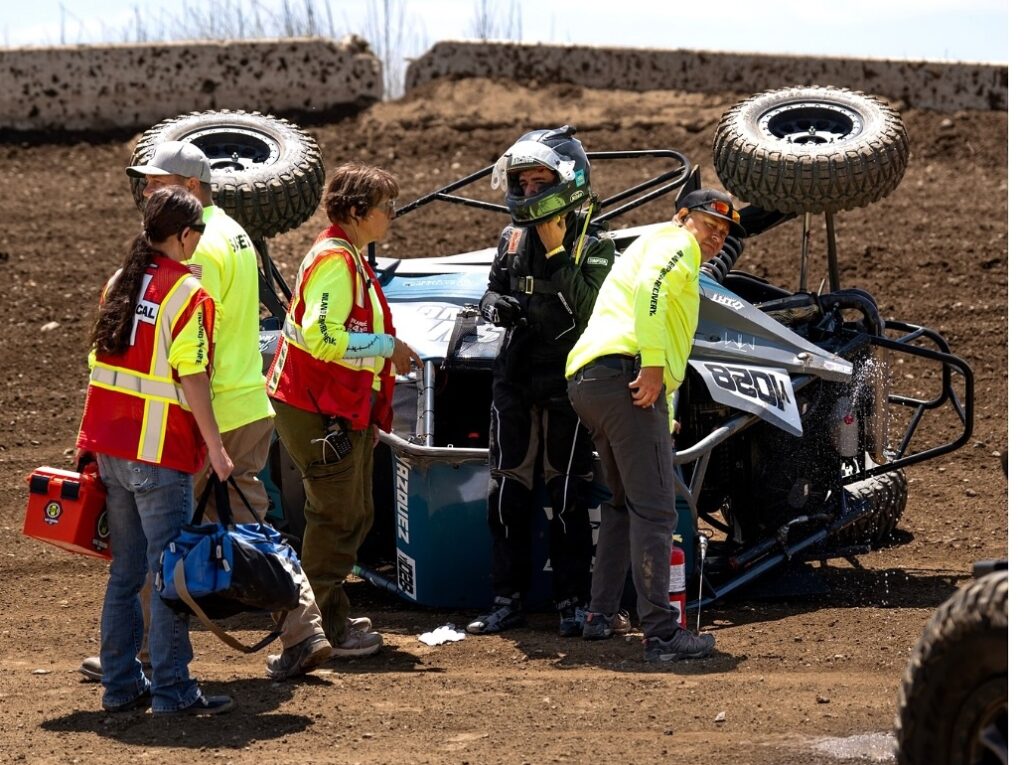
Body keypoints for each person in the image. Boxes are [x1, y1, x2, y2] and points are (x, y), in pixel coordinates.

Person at [79, 140, 333, 683]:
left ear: (191, 186)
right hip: (247, 403)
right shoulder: (233, 232)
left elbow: (187, 346)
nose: (147, 191)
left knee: (159, 538)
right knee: (251, 527)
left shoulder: (196, 249)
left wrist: (202, 434)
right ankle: (303, 630)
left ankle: (138, 655)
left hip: (203, 416)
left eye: (157, 182)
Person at [564, 187, 745, 662]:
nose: (716, 237)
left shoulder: (649, 244)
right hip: (624, 374)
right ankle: (662, 633)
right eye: (710, 225)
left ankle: (600, 615)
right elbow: (653, 292)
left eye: (724, 233)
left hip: (591, 382)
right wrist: (651, 365)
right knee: (657, 511)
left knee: (623, 505)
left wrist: (661, 409)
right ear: (683, 216)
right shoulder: (676, 243)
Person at [75, 186, 235, 714]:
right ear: (185, 235)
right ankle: (173, 690)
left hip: (112, 449)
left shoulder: (120, 281)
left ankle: (120, 686)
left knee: (126, 573)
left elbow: (101, 365)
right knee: (170, 574)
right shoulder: (188, 294)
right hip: (159, 453)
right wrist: (216, 448)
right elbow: (193, 376)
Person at [266, 162, 421, 658]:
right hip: (317, 407)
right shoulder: (337, 261)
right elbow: (322, 338)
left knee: (351, 514)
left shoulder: (344, 254)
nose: (391, 214)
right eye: (385, 206)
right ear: (357, 212)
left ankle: (321, 616)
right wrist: (387, 346)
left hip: (330, 406)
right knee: (336, 517)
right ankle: (318, 629)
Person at [466, 126, 614, 637]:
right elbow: (491, 291)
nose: (528, 192)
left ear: (567, 182)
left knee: (568, 497)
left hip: (567, 385)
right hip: (514, 379)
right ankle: (506, 600)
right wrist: (494, 306)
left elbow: (588, 312)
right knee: (506, 495)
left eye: (539, 183)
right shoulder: (510, 238)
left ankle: (574, 602)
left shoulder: (597, 244)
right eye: (523, 183)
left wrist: (555, 253)